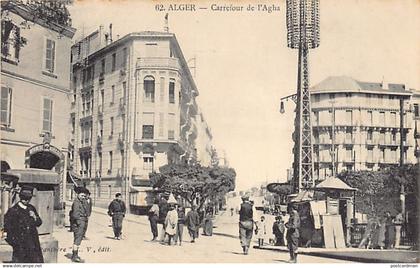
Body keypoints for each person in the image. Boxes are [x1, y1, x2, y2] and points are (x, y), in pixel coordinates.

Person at [4, 186, 44, 263]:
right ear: (20, 197)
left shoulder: (31, 208)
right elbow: (6, 229)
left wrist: (35, 217)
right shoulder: (13, 211)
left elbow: (39, 223)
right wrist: (15, 243)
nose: (26, 200)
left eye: (28, 198)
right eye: (24, 198)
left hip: (33, 244)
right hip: (20, 247)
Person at [70, 188, 88, 262]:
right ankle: (74, 256)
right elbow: (75, 214)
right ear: (78, 194)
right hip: (79, 222)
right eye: (82, 195)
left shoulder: (82, 202)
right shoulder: (76, 202)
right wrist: (79, 222)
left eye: (84, 196)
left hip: (82, 221)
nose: (83, 197)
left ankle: (75, 254)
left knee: (78, 239)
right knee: (77, 239)